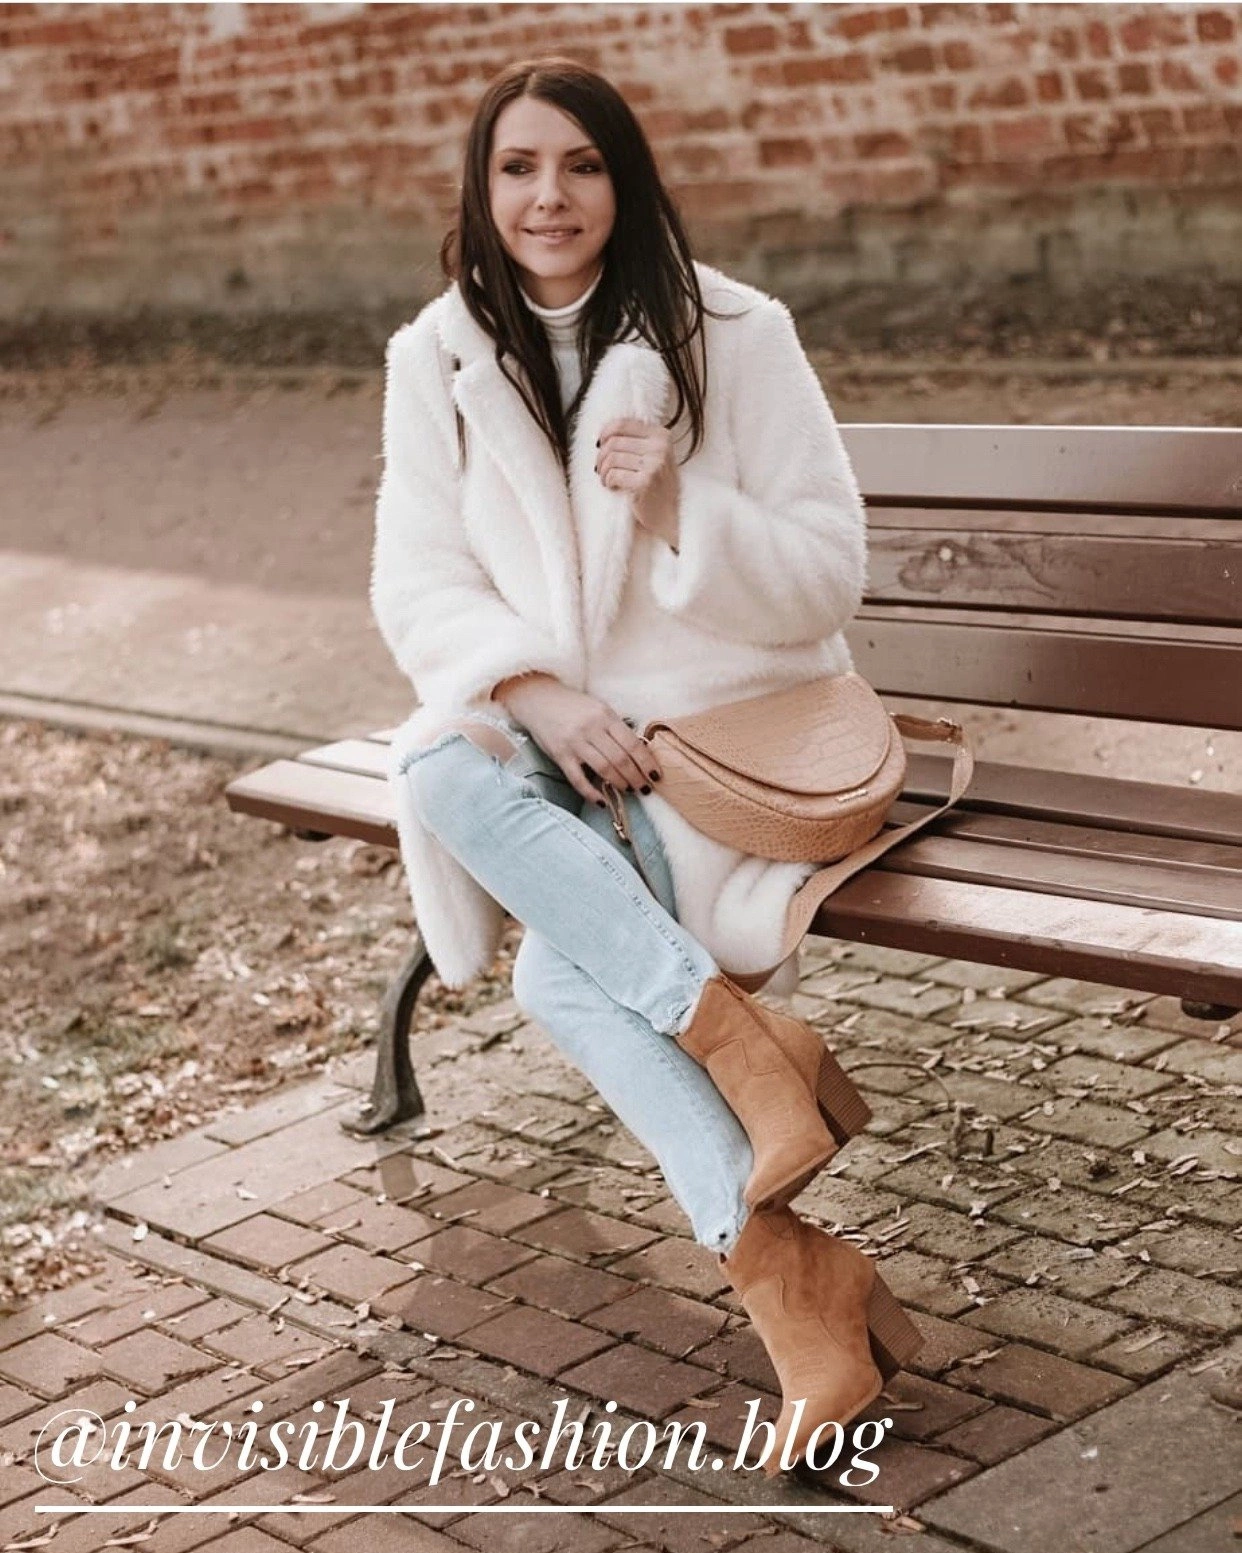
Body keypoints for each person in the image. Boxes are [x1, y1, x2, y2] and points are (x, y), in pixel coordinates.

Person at [371, 56, 921, 1475]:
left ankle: (795, 1287)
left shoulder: (733, 332)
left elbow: (827, 573)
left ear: (626, 181)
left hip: (720, 745)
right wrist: (536, 691)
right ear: (480, 188)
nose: (547, 197)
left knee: (564, 978)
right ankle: (746, 1064)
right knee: (437, 770)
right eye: (516, 167)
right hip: (570, 742)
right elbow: (416, 579)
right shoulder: (434, 356)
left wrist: (680, 505)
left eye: (581, 165)